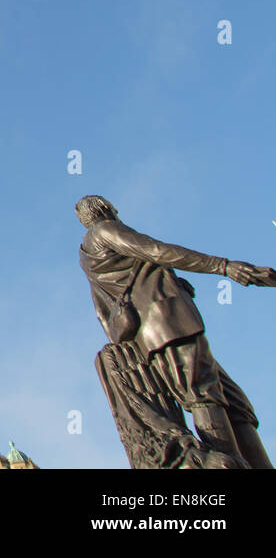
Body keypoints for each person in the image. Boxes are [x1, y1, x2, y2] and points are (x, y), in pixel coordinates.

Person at [77, 194, 276, 468]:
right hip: (166, 324)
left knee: (233, 401)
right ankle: (230, 463)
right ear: (106, 208)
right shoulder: (104, 231)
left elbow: (104, 313)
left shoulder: (89, 256)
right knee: (204, 396)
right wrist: (224, 266)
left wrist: (174, 283)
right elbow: (158, 251)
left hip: (155, 333)